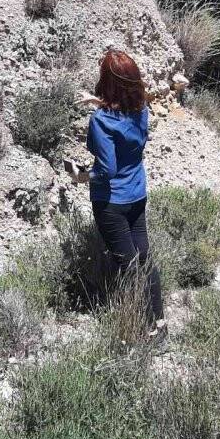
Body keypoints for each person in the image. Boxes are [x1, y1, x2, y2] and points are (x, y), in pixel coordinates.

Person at [73, 48, 167, 346]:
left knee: (128, 266)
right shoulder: (141, 110)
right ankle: (160, 324)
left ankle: (144, 331)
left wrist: (82, 176)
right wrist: (98, 101)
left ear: (107, 82)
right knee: (144, 257)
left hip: (111, 202)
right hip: (137, 195)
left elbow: (107, 169)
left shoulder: (101, 121)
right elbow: (123, 114)